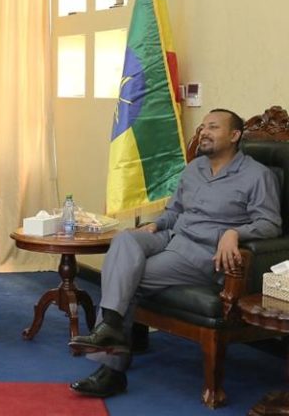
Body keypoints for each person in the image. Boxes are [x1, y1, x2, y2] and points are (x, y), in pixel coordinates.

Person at [68, 109, 282, 397]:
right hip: (172, 236)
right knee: (124, 241)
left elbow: (270, 224)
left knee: (126, 277)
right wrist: (156, 224)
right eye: (203, 127)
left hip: (203, 253)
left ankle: (111, 368)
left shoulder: (258, 175)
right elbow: (175, 211)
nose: (203, 132)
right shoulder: (194, 168)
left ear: (234, 136)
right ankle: (112, 328)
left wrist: (234, 233)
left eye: (213, 127)